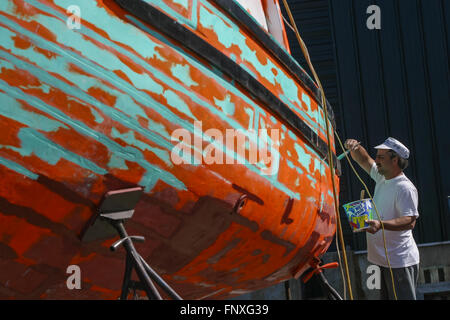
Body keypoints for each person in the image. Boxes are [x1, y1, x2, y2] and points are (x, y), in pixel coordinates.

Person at [344, 137, 420, 300]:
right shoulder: (382, 178)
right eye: (377, 156)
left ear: (395, 160)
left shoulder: (405, 188)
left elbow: (409, 220)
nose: (376, 160)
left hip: (399, 261)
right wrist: (355, 148)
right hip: (379, 259)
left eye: (381, 157)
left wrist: (381, 224)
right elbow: (364, 160)